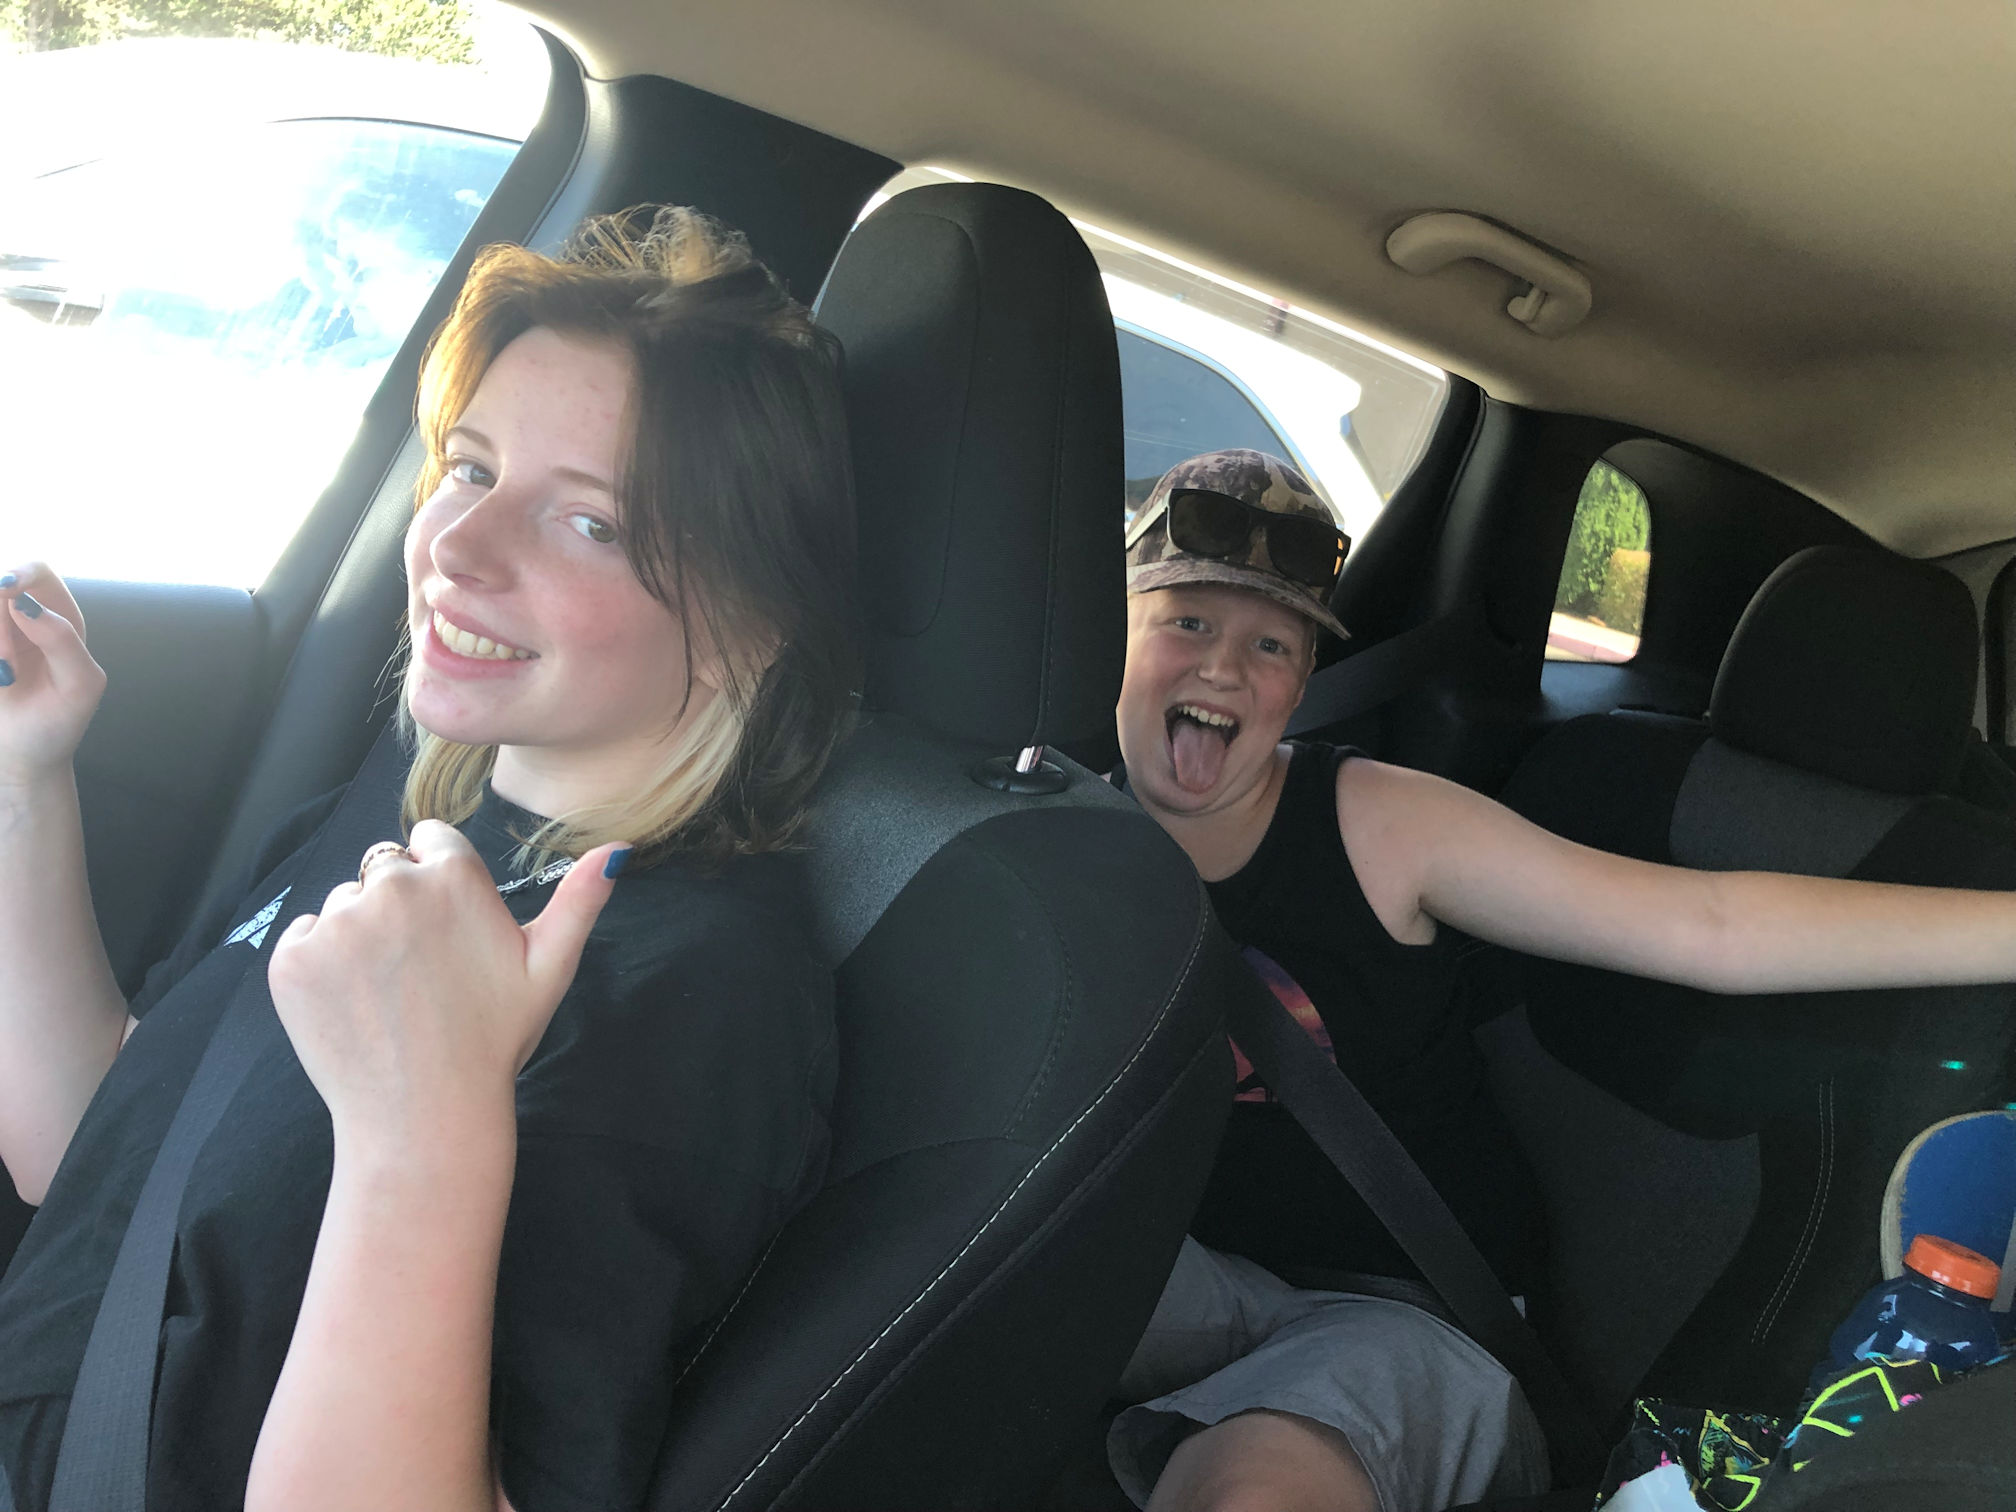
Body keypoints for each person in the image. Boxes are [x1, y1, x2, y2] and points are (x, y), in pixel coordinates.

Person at [0, 206, 859, 1512]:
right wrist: (25, 776)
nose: (457, 545)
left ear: (752, 620)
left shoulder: (694, 994)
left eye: (591, 524)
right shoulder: (409, 822)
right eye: (470, 468)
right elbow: (96, 1164)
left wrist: (424, 1132)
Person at [1104, 448, 2016, 1512]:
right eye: (1188, 622)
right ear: (1110, 637)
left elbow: (1714, 927)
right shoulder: (1052, 821)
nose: (1224, 668)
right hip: (1175, 1263)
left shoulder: (1381, 823)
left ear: (1301, 684)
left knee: (1250, 1494)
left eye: (1271, 643)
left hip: (1398, 1311)